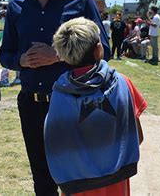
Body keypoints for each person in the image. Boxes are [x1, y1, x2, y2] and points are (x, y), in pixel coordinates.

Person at [0, 0, 111, 195]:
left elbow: (104, 50)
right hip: (32, 105)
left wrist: (59, 54)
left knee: (79, 178)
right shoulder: (17, 5)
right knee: (43, 180)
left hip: (74, 103)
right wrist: (21, 61)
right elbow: (5, 55)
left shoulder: (80, 0)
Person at [45, 17, 146, 195]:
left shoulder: (59, 92)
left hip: (76, 184)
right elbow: (138, 137)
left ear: (65, 55)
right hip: (116, 181)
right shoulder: (123, 82)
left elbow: (57, 141)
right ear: (99, 50)